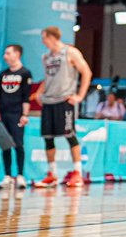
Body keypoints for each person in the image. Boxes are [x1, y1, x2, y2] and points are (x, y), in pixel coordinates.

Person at [31, 26, 93, 188]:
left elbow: (86, 72)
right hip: (48, 101)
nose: (42, 41)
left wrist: (80, 96)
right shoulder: (46, 57)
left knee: (70, 135)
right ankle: (52, 174)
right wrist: (39, 92)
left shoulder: (70, 52)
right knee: (48, 138)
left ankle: (77, 173)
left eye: (44, 37)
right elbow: (48, 77)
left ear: (52, 37)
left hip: (65, 100)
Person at [0, 44, 32, 189]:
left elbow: (26, 96)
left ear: (17, 54)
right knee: (5, 145)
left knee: (18, 144)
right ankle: (7, 175)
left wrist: (24, 114)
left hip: (17, 114)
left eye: (8, 53)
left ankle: (20, 175)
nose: (5, 56)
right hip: (3, 114)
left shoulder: (25, 73)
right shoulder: (3, 74)